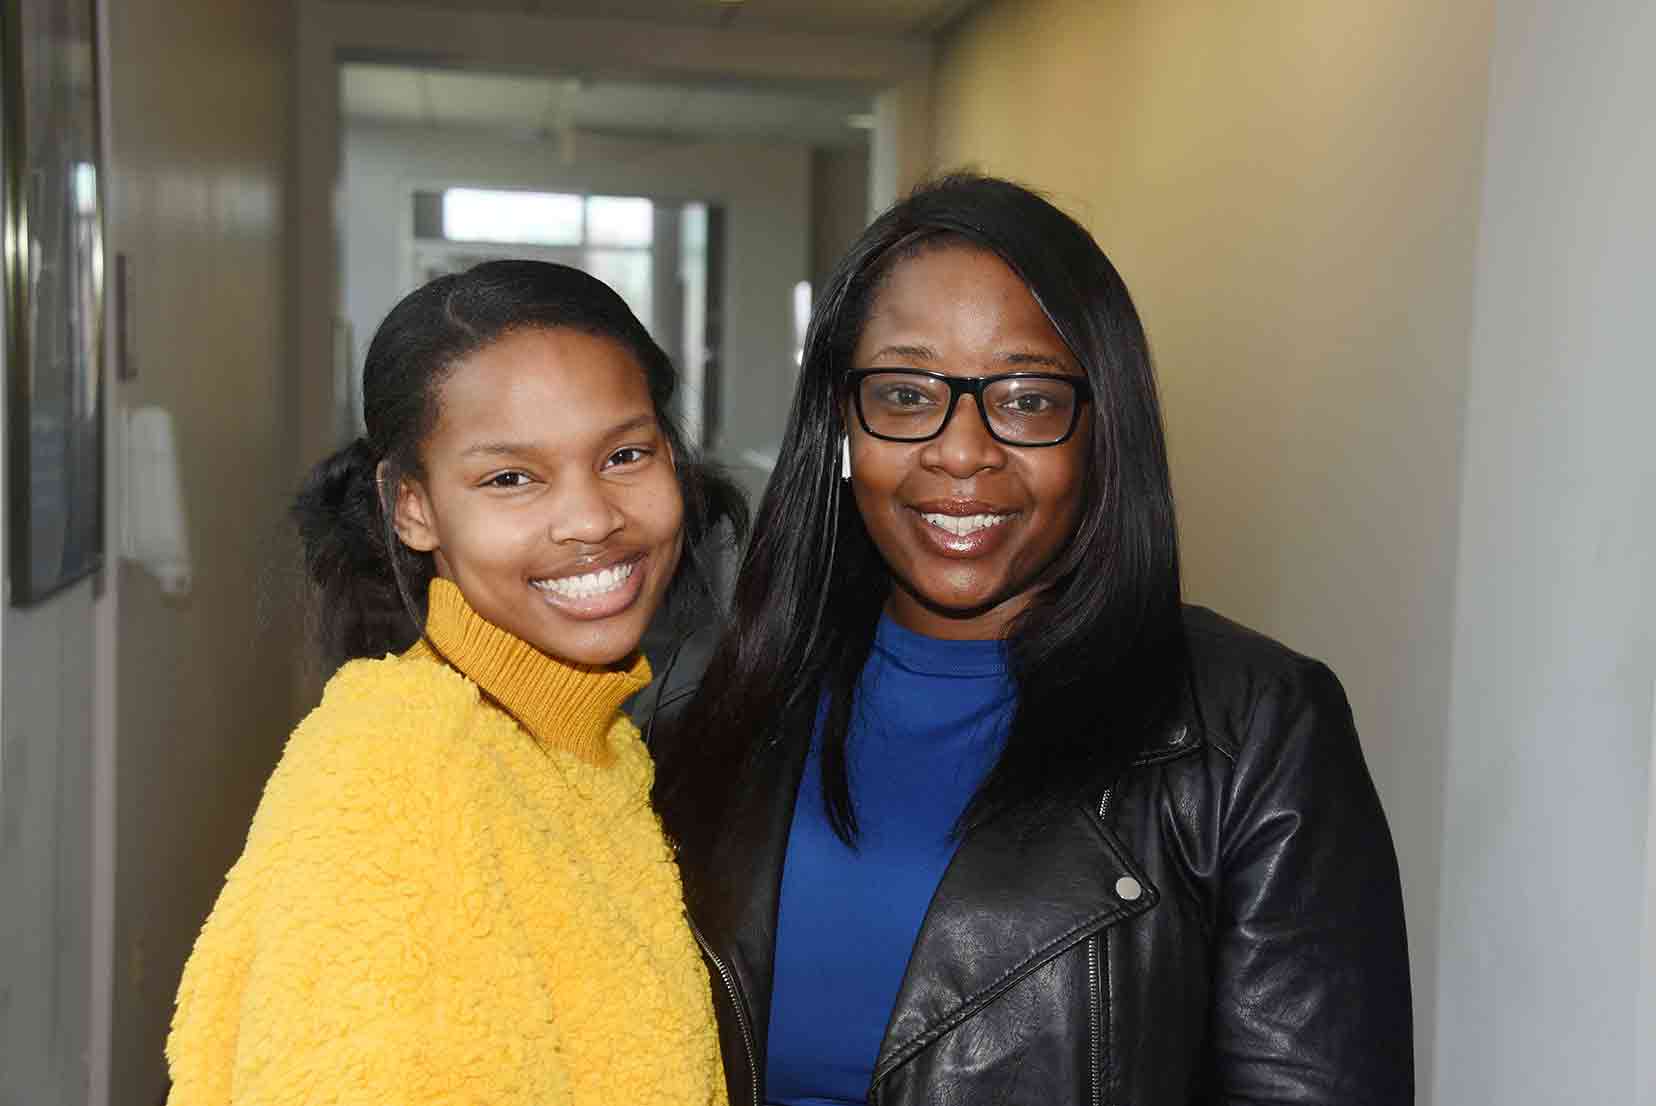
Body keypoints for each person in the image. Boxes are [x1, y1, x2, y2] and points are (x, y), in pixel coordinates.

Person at [652, 175, 1412, 1105]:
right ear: (841, 426)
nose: (961, 451)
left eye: (1026, 399)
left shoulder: (1251, 728)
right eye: (902, 391)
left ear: (1101, 429)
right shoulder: (704, 697)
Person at [166, 260, 743, 1105]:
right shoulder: (395, 767)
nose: (590, 518)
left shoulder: (592, 745)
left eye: (624, 454)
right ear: (413, 507)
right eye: (511, 477)